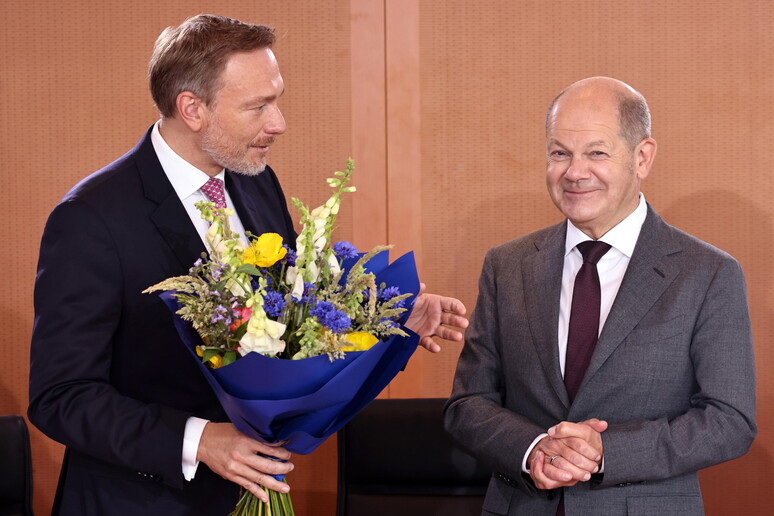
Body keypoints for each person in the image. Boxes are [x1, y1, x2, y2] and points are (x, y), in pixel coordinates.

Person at [28, 14, 468, 516]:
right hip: (137, 501)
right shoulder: (90, 218)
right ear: (192, 108)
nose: (278, 122)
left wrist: (383, 318)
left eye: (275, 100)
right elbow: (61, 396)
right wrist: (200, 441)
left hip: (250, 492)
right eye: (259, 106)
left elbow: (294, 311)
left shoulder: (256, 181)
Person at [444, 77, 756, 515]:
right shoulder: (506, 265)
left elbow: (729, 421)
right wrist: (533, 449)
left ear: (642, 157)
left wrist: (605, 451)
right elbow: (468, 404)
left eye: (597, 152)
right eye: (559, 153)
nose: (574, 172)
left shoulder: (708, 273)